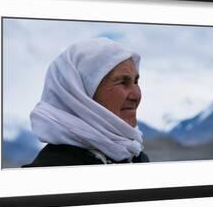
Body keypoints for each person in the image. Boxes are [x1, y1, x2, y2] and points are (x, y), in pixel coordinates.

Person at [23, 37, 150, 167]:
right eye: (123, 82)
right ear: (80, 93)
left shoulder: (134, 156)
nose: (136, 95)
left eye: (136, 82)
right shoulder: (50, 172)